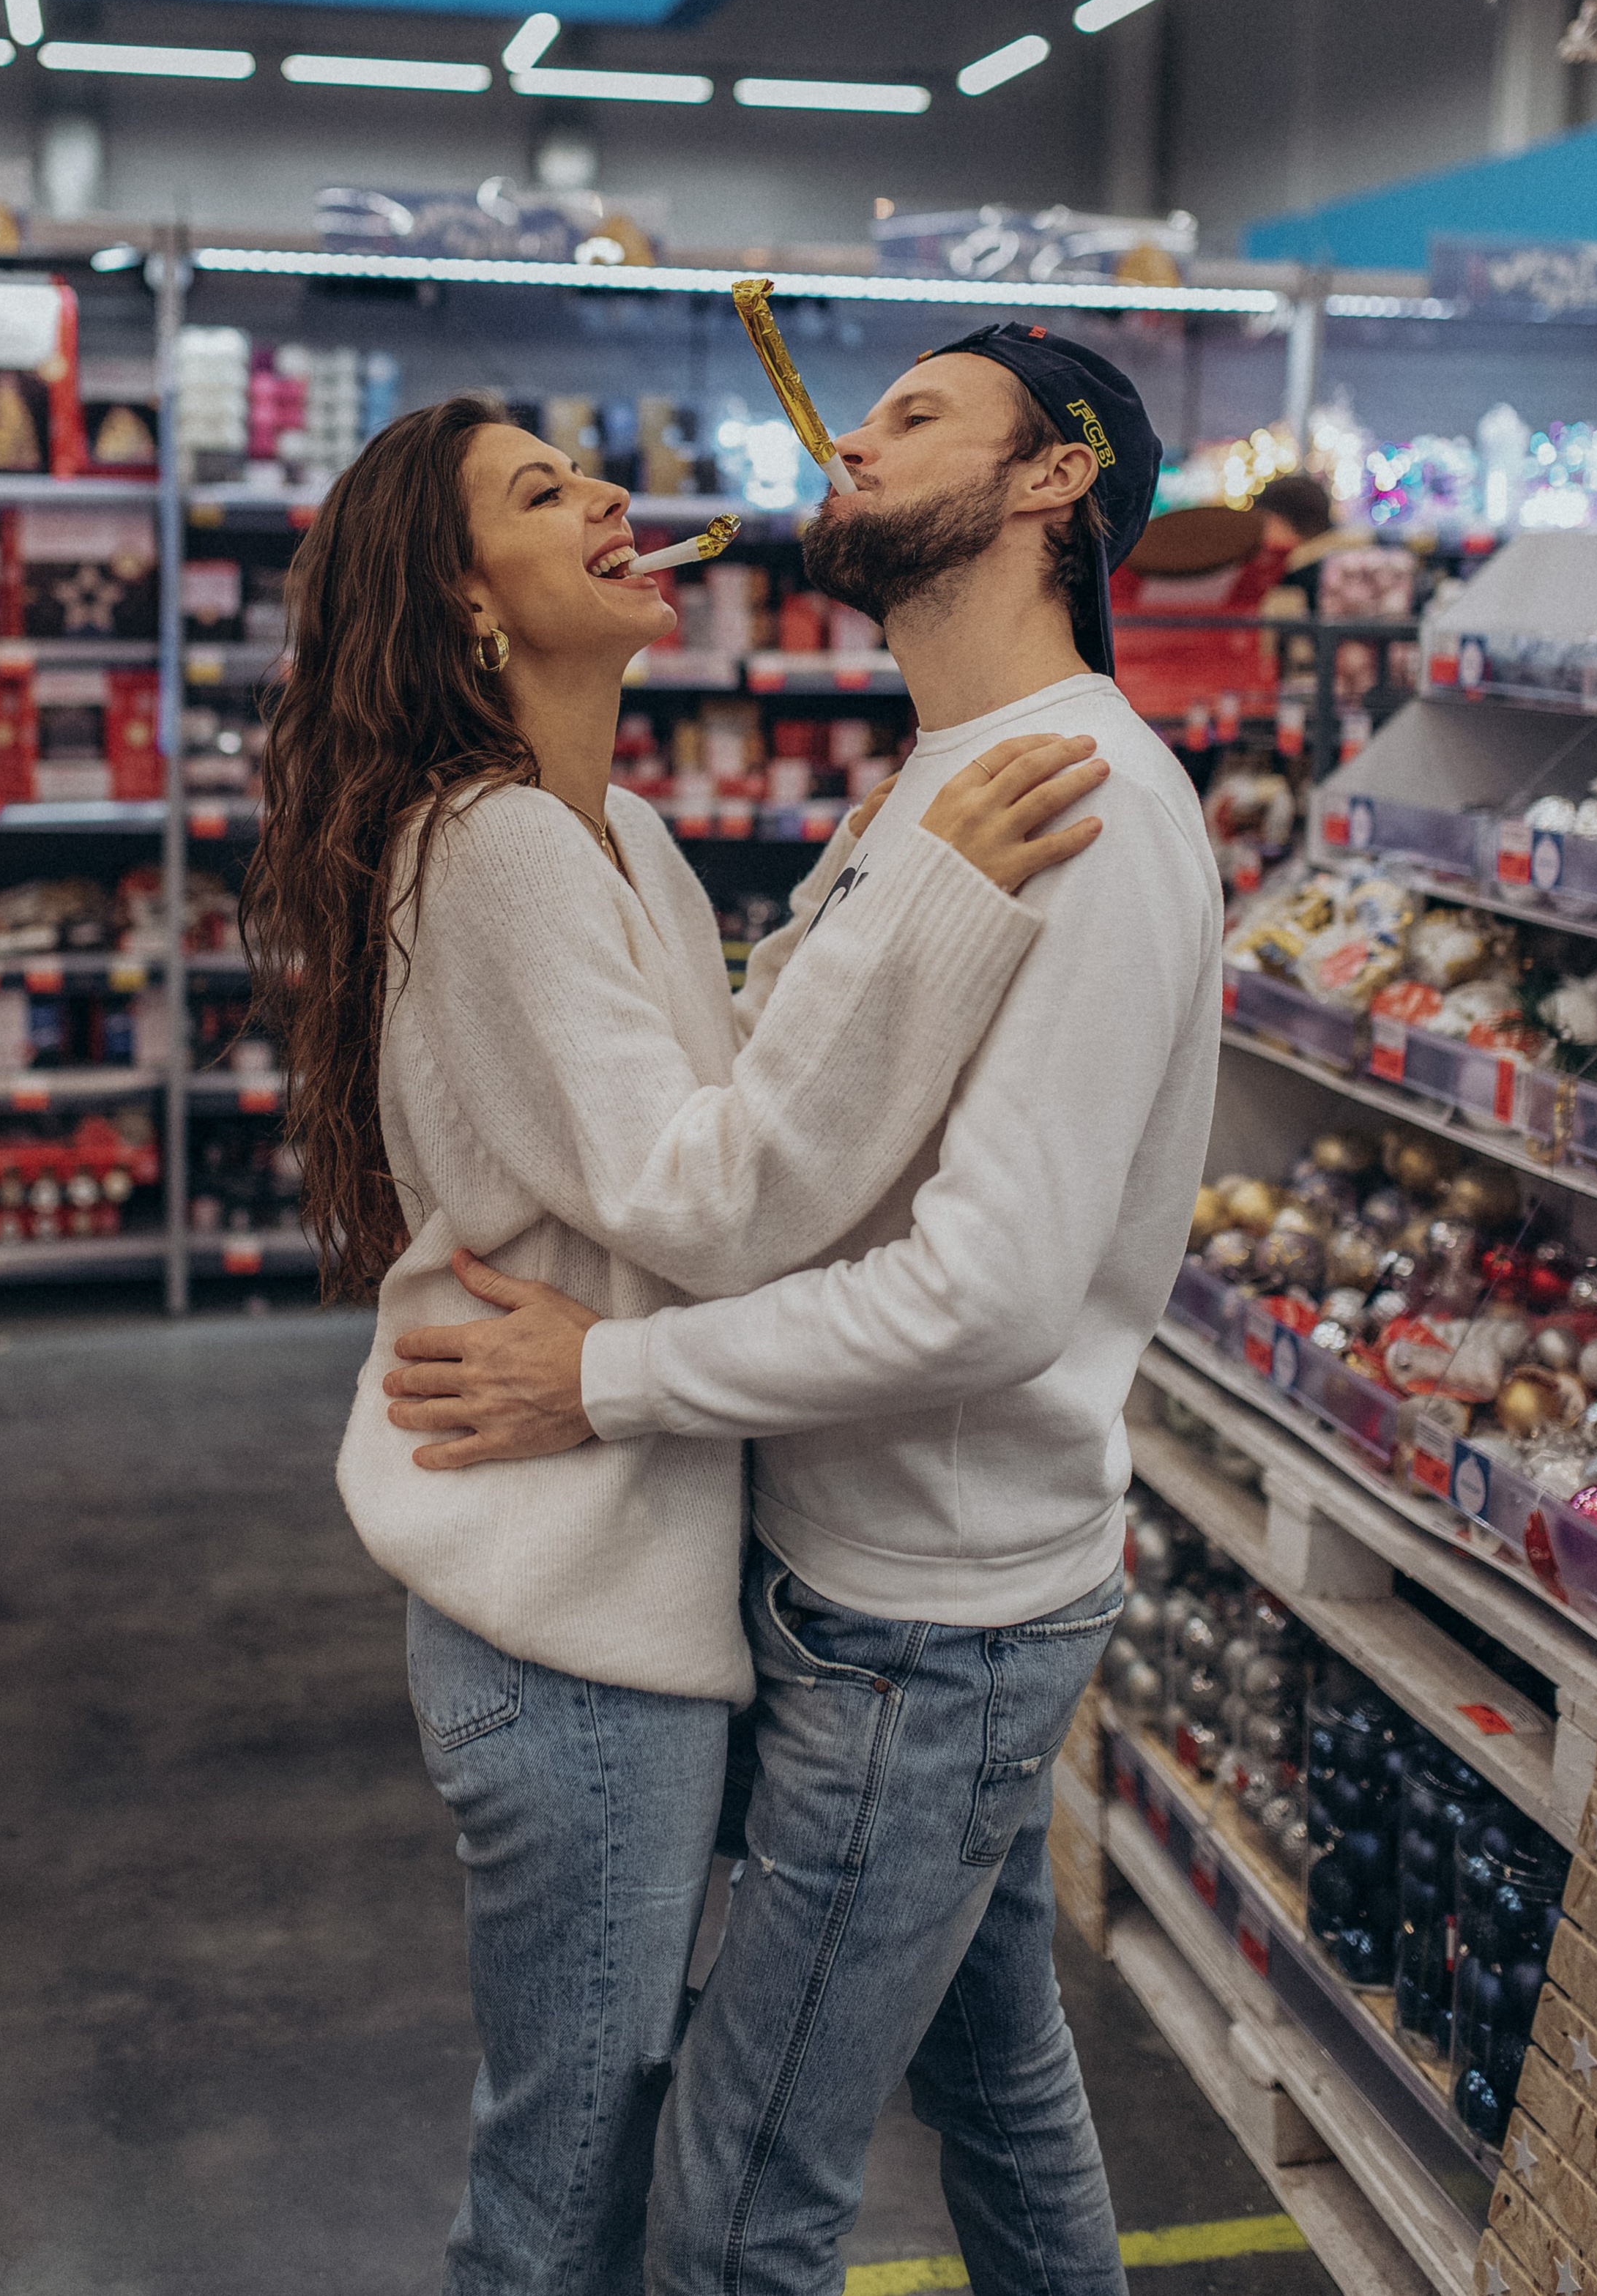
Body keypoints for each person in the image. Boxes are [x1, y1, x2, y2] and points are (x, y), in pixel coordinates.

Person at [239, 389, 1110, 2296]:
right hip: (564, 1622)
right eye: (544, 493)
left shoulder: (608, 824)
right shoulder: (493, 851)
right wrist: (946, 896)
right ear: (470, 607)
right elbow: (706, 1191)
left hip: (631, 1591)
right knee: (564, 2180)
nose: (612, 496)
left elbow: (712, 1076)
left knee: (616, 2146)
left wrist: (858, 889)